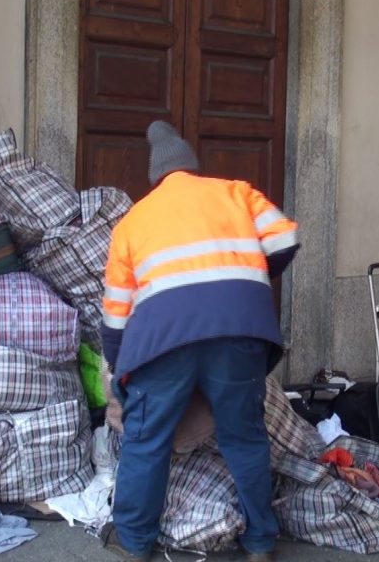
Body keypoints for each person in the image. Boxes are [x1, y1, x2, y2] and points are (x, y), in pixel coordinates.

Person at [98, 121, 300, 561]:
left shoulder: (132, 222)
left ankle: (133, 542)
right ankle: (261, 543)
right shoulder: (236, 192)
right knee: (244, 437)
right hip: (241, 332)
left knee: (146, 437)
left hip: (163, 343)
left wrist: (119, 370)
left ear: (156, 178)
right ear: (192, 166)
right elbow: (286, 238)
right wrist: (247, 280)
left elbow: (115, 314)